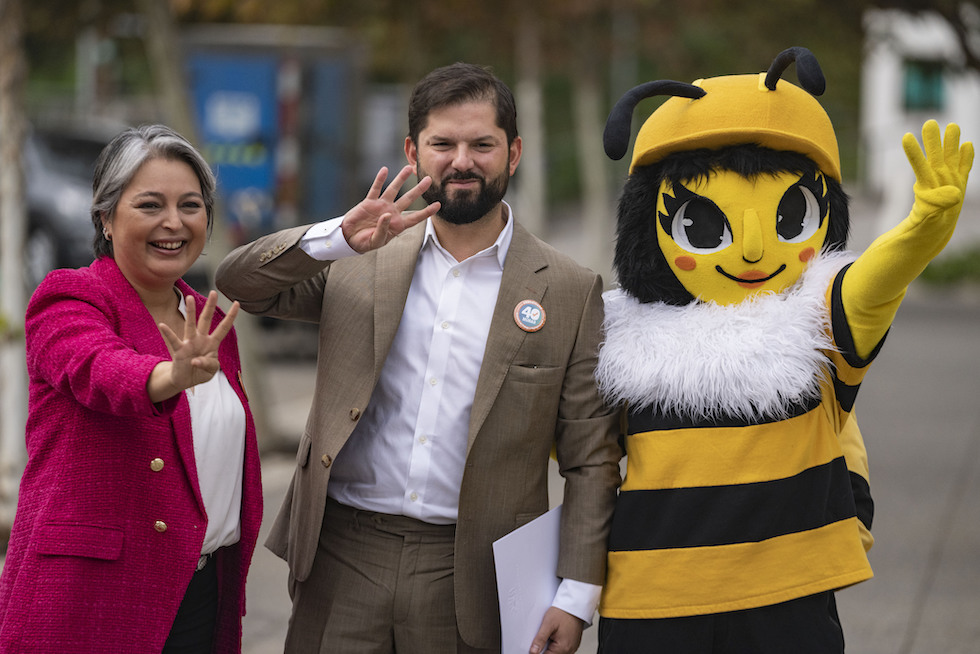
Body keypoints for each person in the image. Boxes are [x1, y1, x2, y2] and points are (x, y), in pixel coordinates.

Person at [215, 62, 622, 654]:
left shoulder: (568, 289)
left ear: (513, 154)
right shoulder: (357, 257)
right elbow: (240, 284)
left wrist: (576, 594)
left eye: (482, 145)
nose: (462, 161)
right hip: (342, 555)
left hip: (475, 572)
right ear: (413, 151)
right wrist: (336, 238)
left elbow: (591, 458)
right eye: (443, 144)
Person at [0, 124, 263, 654]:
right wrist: (169, 377)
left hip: (200, 590)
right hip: (91, 597)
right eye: (150, 205)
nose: (174, 222)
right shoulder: (70, 297)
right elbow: (100, 370)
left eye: (190, 205)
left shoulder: (208, 318)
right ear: (105, 216)